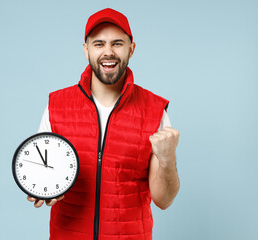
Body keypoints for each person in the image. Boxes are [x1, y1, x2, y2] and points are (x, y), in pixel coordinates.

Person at [27, 8, 180, 240]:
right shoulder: (56, 106)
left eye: (117, 43)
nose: (108, 52)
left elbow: (164, 200)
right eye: (99, 44)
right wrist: (42, 188)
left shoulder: (154, 110)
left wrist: (168, 159)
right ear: (85, 50)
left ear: (131, 48)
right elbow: (44, 172)